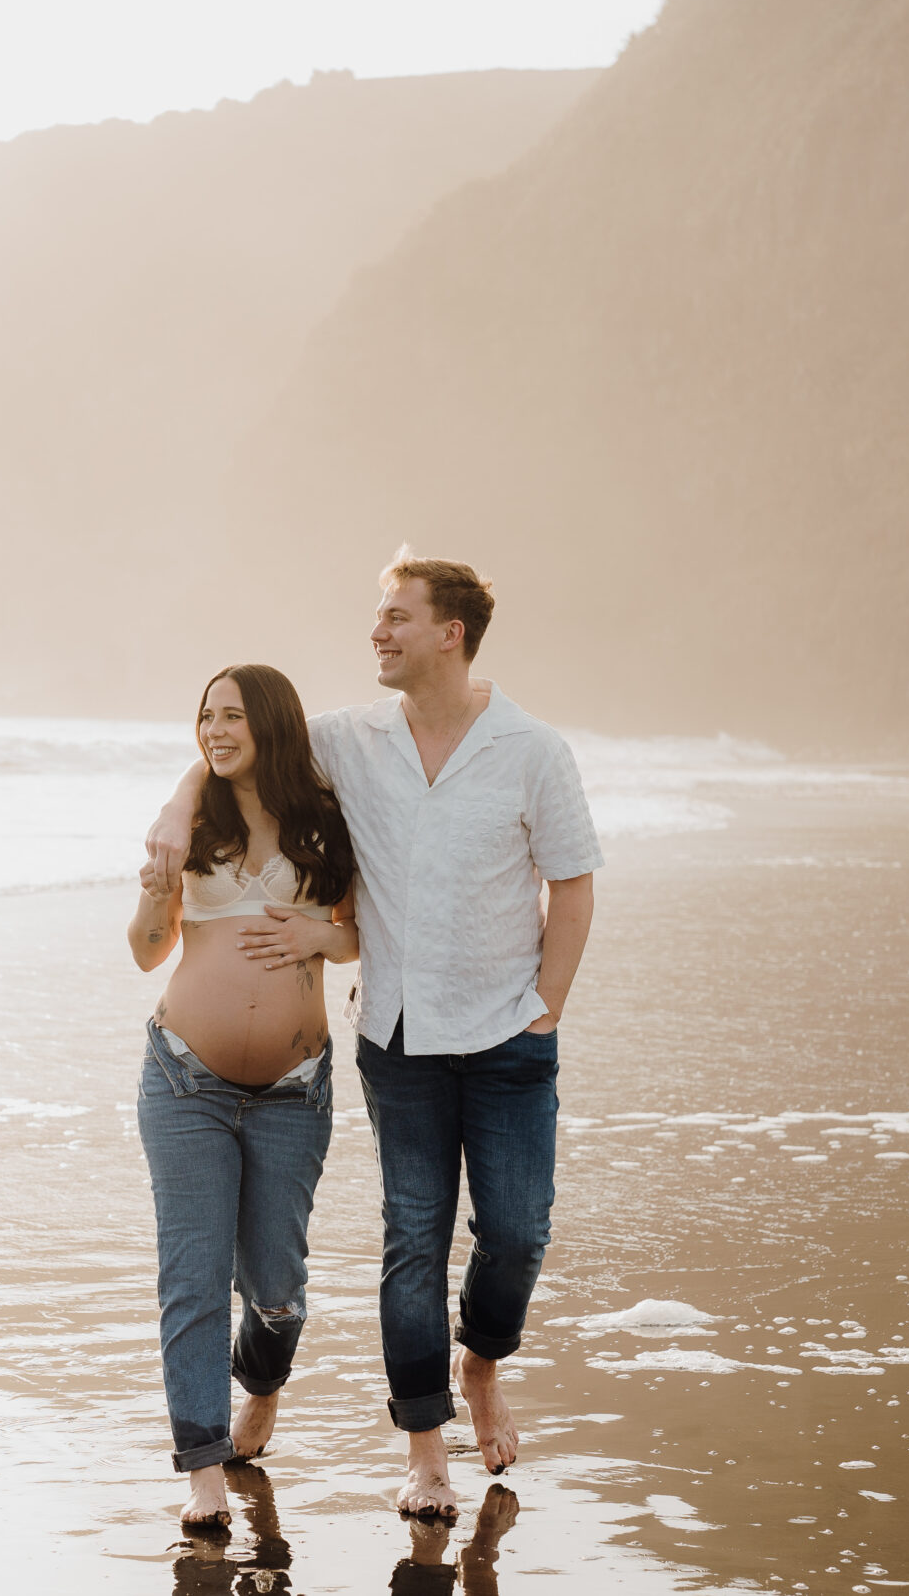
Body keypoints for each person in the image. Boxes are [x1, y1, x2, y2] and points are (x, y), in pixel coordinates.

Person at [142, 551, 601, 1519]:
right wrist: (180, 803)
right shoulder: (348, 740)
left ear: (451, 632)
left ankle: (482, 1366)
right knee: (412, 1243)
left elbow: (572, 880)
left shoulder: (531, 748)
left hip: (510, 1035)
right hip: (396, 1037)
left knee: (516, 1236)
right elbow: (238, 736)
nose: (377, 634)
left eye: (396, 618)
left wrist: (547, 1001)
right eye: (375, 619)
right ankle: (423, 1455)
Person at [129, 663, 360, 1528]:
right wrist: (157, 892)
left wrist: (319, 930)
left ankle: (260, 1380)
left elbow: (359, 935)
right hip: (184, 1076)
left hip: (293, 1092)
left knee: (276, 1285)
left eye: (231, 716)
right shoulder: (194, 822)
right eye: (204, 718)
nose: (214, 731)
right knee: (191, 1277)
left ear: (269, 721)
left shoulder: (326, 820)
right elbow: (147, 950)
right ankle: (203, 1469)